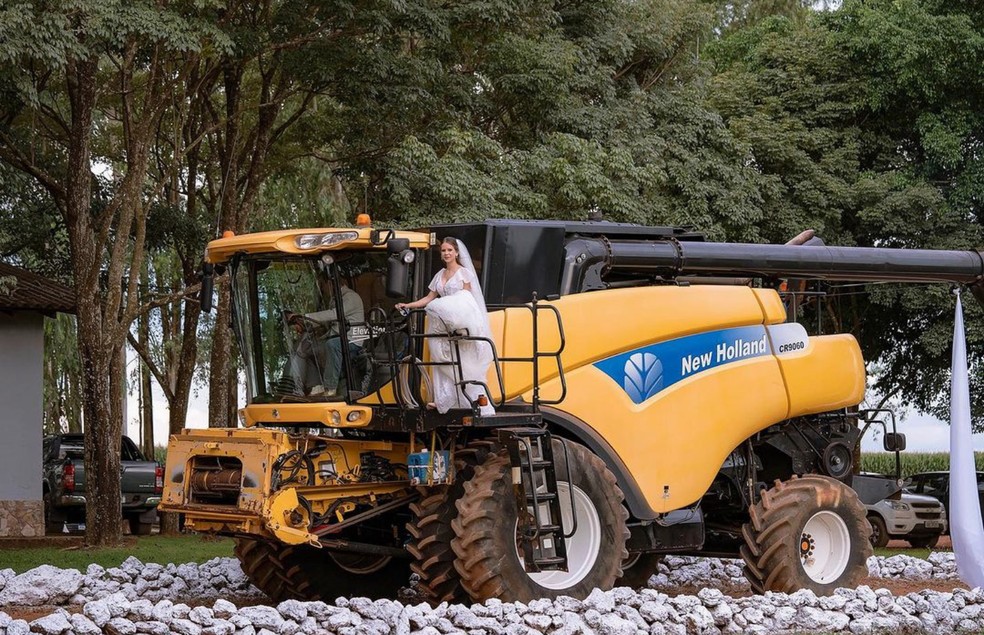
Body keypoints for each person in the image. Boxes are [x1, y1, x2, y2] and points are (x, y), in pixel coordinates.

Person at [396, 238, 495, 415]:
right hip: (442, 325)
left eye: (450, 250)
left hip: (459, 321)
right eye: (443, 251)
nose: (446, 253)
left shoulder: (464, 273)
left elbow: (466, 299)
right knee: (440, 358)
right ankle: (444, 399)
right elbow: (429, 298)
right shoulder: (439, 275)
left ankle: (470, 399)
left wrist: (443, 308)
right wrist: (408, 305)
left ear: (456, 253)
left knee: (461, 361)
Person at [288, 282, 365, 398]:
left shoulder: (351, 297)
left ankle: (330, 387)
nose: (322, 289)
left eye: (322, 285)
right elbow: (328, 321)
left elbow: (334, 314)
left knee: (332, 345)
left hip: (352, 340)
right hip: (339, 337)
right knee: (308, 349)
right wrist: (306, 324)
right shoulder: (335, 299)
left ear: (330, 283)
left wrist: (306, 317)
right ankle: (313, 385)